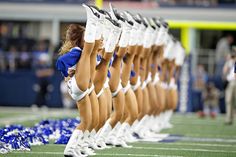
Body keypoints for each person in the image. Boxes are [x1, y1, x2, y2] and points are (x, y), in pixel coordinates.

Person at [223, 52, 236, 125]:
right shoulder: (229, 62)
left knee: (231, 101)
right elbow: (224, 71)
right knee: (229, 101)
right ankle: (229, 118)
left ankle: (230, 118)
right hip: (230, 82)